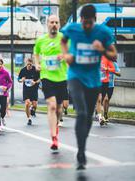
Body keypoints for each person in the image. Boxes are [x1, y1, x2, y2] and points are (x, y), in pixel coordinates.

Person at [61, 4, 117, 170]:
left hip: (93, 80)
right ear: (81, 19)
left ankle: (82, 147)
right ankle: (81, 152)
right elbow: (62, 40)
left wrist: (103, 50)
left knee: (89, 118)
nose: (86, 26)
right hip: (76, 77)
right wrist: (66, 55)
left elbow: (114, 54)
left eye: (89, 23)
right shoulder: (73, 28)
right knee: (82, 113)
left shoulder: (103, 32)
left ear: (95, 20)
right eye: (84, 22)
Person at [34, 15, 68, 151]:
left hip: (61, 77)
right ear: (47, 24)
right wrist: (37, 64)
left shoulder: (65, 39)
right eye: (51, 22)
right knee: (52, 106)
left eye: (56, 22)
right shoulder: (41, 40)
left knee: (59, 109)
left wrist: (64, 56)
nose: (54, 24)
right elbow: (36, 53)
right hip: (46, 76)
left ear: (59, 25)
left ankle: (56, 126)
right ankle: (54, 137)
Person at [18, 58, 40, 125]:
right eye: (28, 65)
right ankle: (29, 119)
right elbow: (18, 79)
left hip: (34, 89)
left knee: (34, 105)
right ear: (26, 63)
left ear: (32, 64)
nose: (29, 66)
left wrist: (35, 82)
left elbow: (40, 79)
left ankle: (33, 110)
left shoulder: (35, 70)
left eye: (30, 65)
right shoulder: (23, 70)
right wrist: (21, 80)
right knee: (27, 104)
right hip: (26, 90)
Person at [96, 56, 116, 125]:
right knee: (99, 99)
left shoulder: (107, 58)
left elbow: (113, 69)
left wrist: (106, 68)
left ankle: (100, 113)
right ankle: (100, 117)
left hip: (105, 82)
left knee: (103, 100)